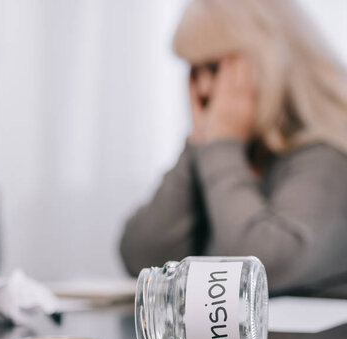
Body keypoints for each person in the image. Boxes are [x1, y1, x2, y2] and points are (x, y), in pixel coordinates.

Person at [120, 0, 347, 298]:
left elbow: (258, 270)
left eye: (214, 69)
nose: (202, 90)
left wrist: (219, 145)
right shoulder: (223, 152)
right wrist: (199, 146)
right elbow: (141, 258)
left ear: (269, 62)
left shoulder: (327, 155)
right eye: (194, 71)